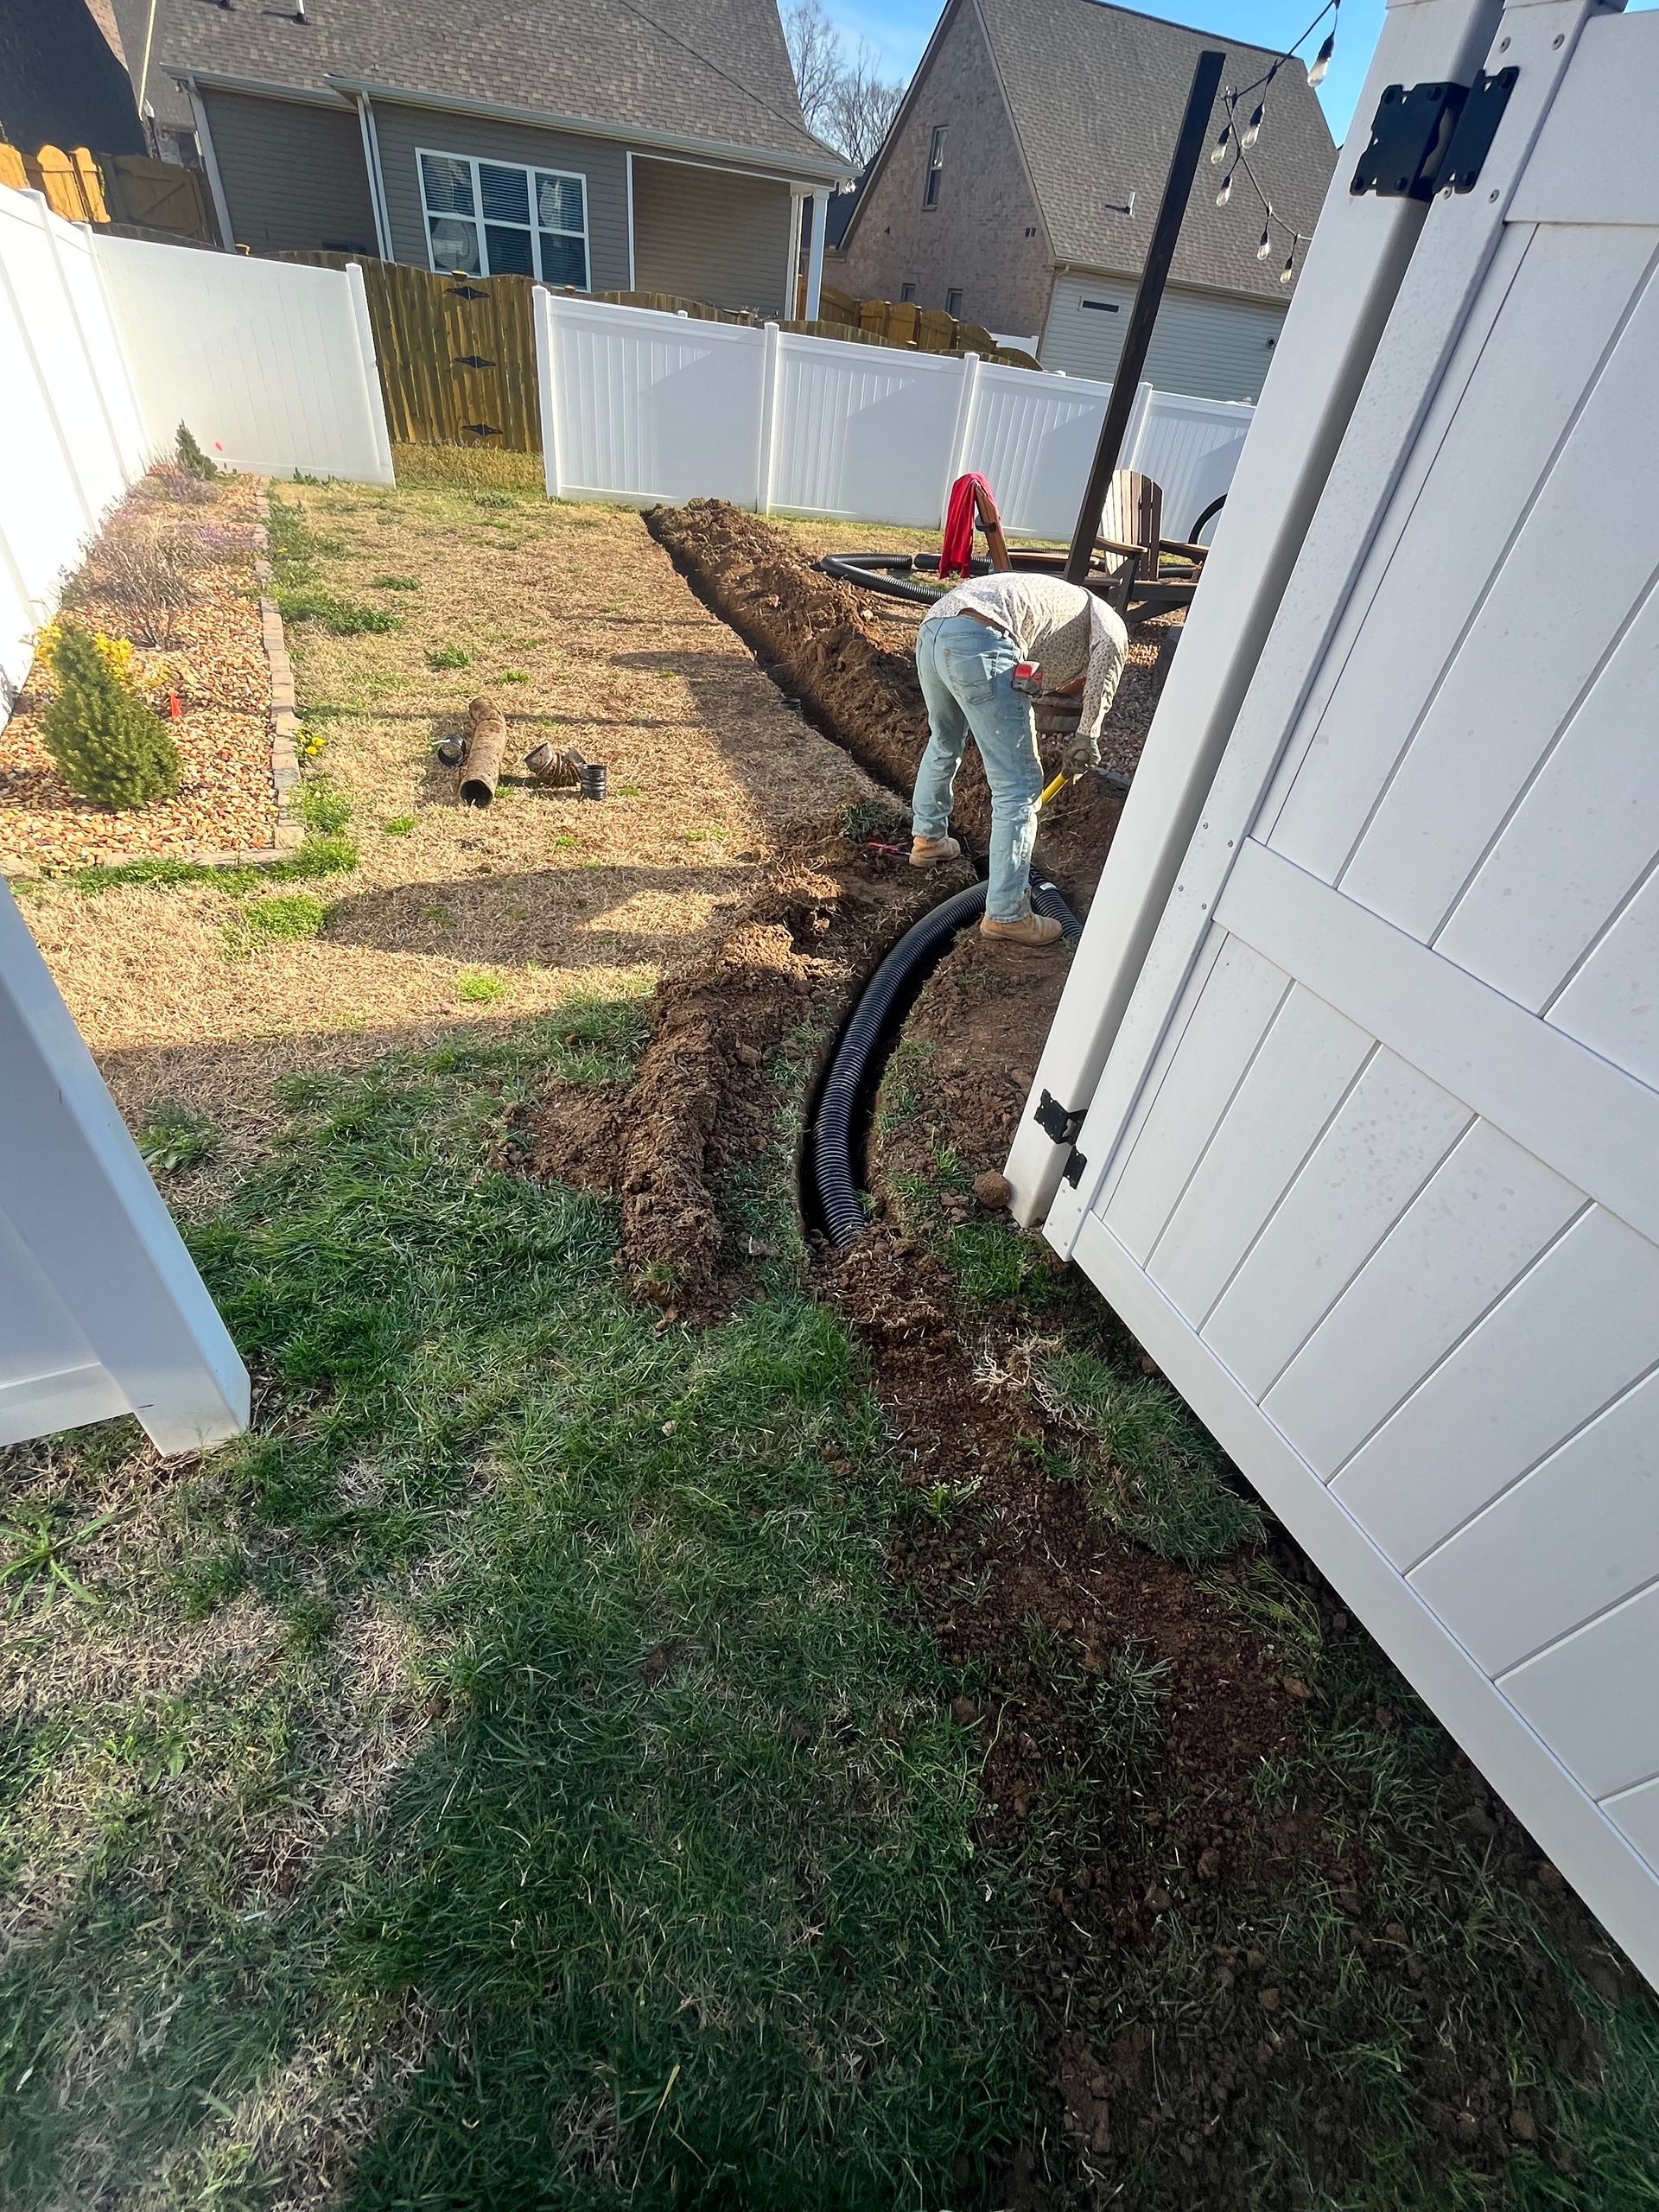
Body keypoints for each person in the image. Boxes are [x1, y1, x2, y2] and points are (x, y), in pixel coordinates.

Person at [909, 570, 1128, 946]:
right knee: (1019, 786)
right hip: (982, 638)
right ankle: (1008, 913)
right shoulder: (1112, 628)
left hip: (934, 630)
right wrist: (1086, 737)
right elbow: (1101, 683)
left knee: (944, 741)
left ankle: (928, 839)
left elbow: (1024, 682)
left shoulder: (1059, 608)